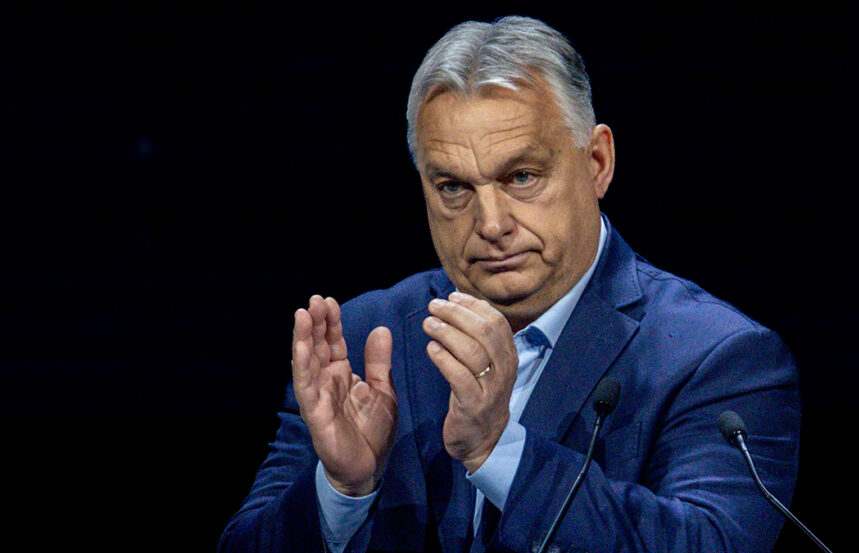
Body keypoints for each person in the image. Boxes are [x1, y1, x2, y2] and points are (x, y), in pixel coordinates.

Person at [219, 15, 800, 553]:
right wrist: (342, 490)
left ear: (597, 162)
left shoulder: (717, 358)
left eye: (522, 177)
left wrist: (502, 452)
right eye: (453, 188)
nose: (491, 224)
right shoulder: (368, 337)